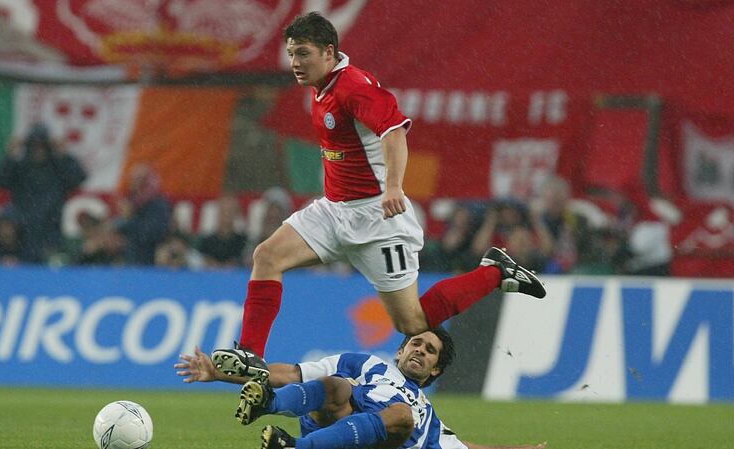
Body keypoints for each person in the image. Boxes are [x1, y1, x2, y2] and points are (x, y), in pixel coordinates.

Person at [211, 12, 546, 381]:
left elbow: (394, 133)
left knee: (413, 322)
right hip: (334, 210)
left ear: (328, 51)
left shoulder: (355, 86)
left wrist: (394, 187)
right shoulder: (322, 85)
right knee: (267, 255)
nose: (295, 63)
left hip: (377, 220)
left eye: (303, 53)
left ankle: (495, 273)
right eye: (291, 53)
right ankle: (250, 353)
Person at [177, 328, 547, 449]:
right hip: (329, 422)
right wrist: (220, 374)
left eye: (429, 350)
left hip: (374, 440)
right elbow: (292, 372)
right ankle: (268, 405)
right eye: (415, 343)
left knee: (403, 416)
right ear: (400, 350)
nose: (420, 350)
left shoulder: (428, 416)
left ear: (434, 371)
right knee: (336, 385)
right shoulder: (365, 365)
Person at [0, 123, 87, 262]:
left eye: (42, 146)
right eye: (34, 146)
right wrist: (9, 155)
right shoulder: (19, 168)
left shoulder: (57, 167)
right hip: (22, 234)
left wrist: (65, 155)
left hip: (51, 232)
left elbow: (79, 177)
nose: (38, 150)